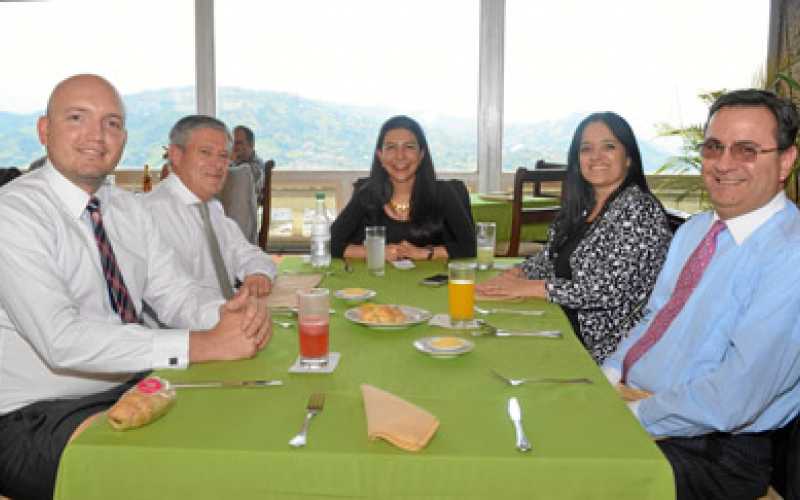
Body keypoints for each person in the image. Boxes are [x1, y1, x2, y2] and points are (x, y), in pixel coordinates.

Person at [0, 74, 272, 500]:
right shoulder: (14, 214)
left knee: (243, 429)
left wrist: (228, 318)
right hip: (35, 414)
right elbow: (61, 340)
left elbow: (175, 294)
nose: (97, 135)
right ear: (43, 130)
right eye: (77, 118)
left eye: (112, 123)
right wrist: (203, 345)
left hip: (133, 385)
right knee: (173, 476)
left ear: (124, 138)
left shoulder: (127, 208)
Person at [603, 89, 800, 499]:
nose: (724, 164)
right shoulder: (696, 230)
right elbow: (654, 317)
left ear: (785, 161)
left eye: (747, 150)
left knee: (556, 475)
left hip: (714, 450)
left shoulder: (790, 254)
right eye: (714, 147)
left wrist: (631, 415)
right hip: (643, 403)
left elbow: (735, 398)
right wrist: (610, 374)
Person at [476, 112, 672, 363]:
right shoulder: (584, 206)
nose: (596, 157)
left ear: (629, 158)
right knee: (482, 329)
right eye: (586, 149)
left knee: (498, 352)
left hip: (603, 346)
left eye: (609, 147)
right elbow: (550, 257)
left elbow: (606, 291)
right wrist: (517, 274)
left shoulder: (639, 210)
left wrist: (534, 287)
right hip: (562, 319)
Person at [143, 115, 276, 300]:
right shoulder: (151, 214)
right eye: (205, 152)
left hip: (226, 314)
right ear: (176, 155)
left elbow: (249, 254)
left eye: (223, 155)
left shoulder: (212, 208)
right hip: (191, 326)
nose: (218, 165)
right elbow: (172, 302)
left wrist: (258, 274)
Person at [331, 115, 476, 261]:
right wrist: (375, 252)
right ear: (380, 156)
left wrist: (424, 253)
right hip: (378, 281)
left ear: (421, 155)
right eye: (391, 147)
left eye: (409, 147)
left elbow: (470, 247)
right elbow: (330, 243)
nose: (400, 156)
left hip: (436, 280)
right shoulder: (367, 194)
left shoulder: (443, 193)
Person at [219, 125, 264, 244]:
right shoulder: (235, 163)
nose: (234, 147)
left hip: (243, 218)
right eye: (232, 143)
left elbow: (249, 181)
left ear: (251, 145)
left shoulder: (256, 166)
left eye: (238, 143)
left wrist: (230, 161)